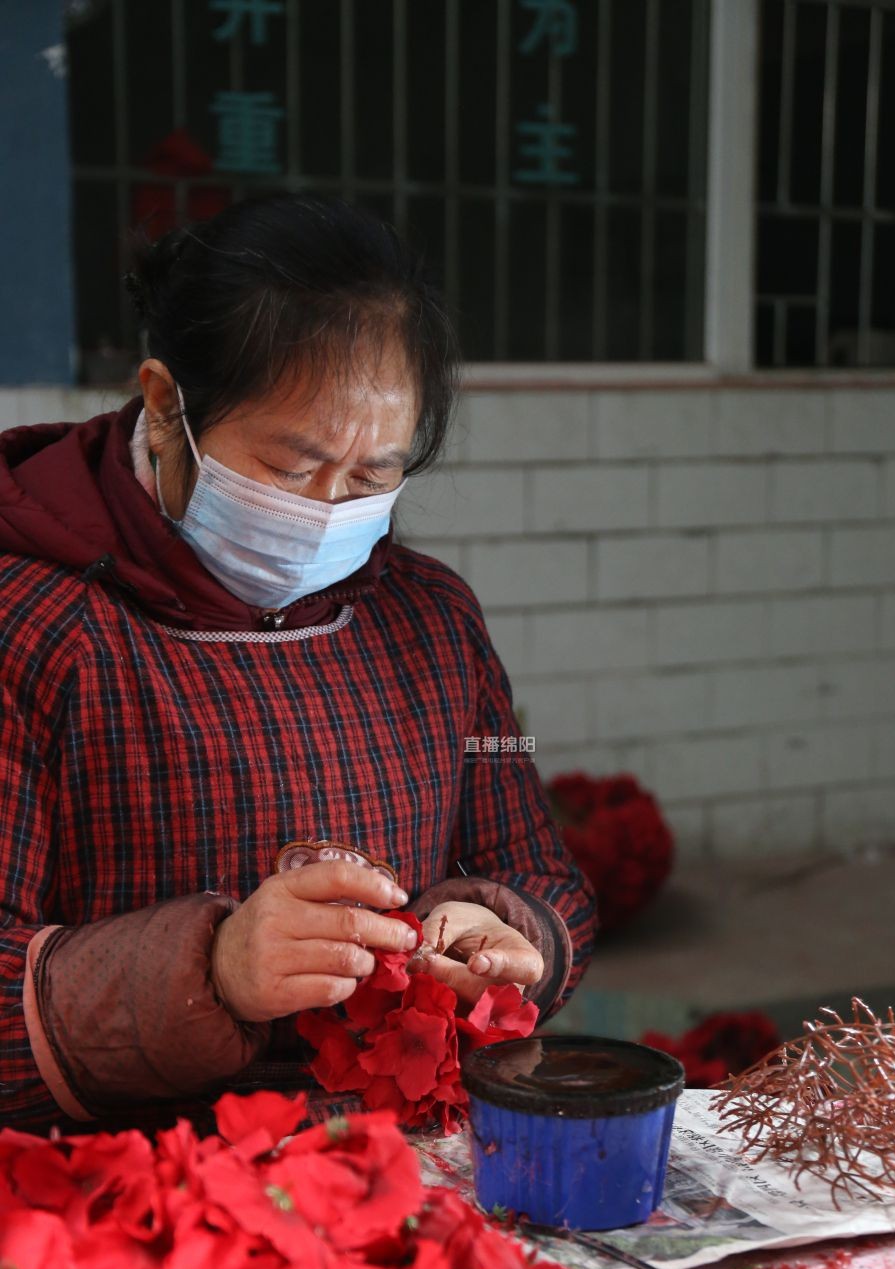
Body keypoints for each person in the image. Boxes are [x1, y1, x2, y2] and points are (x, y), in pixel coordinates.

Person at [0, 193, 597, 1134]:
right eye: (288, 468)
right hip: (147, 1177)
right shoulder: (36, 627)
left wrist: (508, 938)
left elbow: (539, 871)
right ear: (165, 404)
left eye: (371, 477)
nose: (325, 511)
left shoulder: (435, 620)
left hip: (397, 1159)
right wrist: (214, 970)